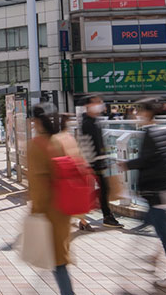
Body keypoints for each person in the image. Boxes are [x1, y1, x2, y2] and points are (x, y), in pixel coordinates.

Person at [119, 100, 166, 290]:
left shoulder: (150, 133)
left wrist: (126, 164)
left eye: (138, 111)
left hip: (157, 193)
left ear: (146, 113)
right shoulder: (165, 131)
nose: (136, 115)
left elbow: (147, 159)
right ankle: (154, 260)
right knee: (153, 225)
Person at [27, 104, 74, 295]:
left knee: (57, 261)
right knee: (59, 257)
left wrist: (36, 211)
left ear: (37, 121)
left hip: (49, 210)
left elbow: (37, 184)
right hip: (66, 205)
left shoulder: (37, 145)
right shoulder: (64, 139)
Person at [80, 95, 123, 228]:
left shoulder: (94, 121)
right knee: (103, 189)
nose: (100, 104)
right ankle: (105, 216)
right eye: (96, 102)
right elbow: (86, 144)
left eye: (100, 101)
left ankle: (82, 214)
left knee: (103, 190)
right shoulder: (87, 123)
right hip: (94, 163)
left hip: (98, 161)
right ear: (88, 106)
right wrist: (92, 163)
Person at [51, 114, 94, 232]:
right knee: (73, 199)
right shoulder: (67, 137)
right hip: (71, 172)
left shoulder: (58, 137)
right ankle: (82, 222)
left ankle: (81, 221)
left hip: (66, 173)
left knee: (69, 199)